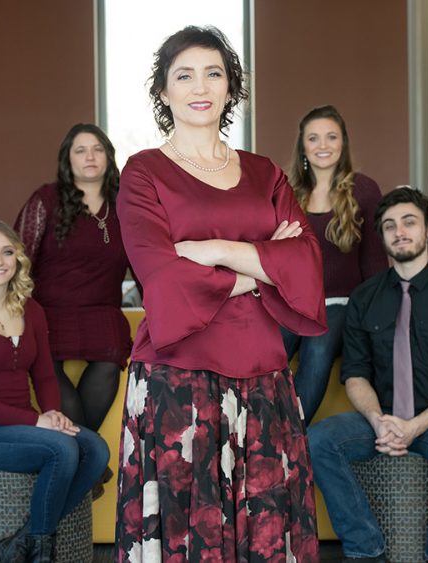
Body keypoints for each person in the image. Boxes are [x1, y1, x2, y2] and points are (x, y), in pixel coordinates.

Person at [114, 26, 328, 562]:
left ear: (232, 87)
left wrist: (209, 248)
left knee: (268, 526)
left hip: (264, 374)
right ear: (164, 92)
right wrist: (261, 263)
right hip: (176, 377)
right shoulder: (143, 172)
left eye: (214, 73)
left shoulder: (265, 172)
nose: (199, 86)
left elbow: (306, 264)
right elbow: (160, 277)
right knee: (189, 533)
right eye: (183, 75)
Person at [307, 187, 428, 563]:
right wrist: (378, 421)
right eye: (389, 225)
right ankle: (364, 545)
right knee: (318, 440)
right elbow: (355, 375)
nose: (399, 231)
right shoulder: (364, 298)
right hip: (383, 418)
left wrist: (417, 425)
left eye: (409, 222)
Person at [0, 221, 109, 562]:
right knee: (63, 450)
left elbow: (46, 376)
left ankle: (23, 542)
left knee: (96, 448)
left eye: (7, 252)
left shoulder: (32, 311)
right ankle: (42, 553)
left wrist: (53, 414)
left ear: (18, 258)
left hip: (24, 426)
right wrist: (37, 421)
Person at [14, 124, 131, 440]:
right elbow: (18, 260)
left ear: (108, 155)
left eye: (97, 149)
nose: (90, 157)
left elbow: (147, 262)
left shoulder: (126, 206)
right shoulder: (46, 199)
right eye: (80, 150)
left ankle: (81, 457)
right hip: (49, 311)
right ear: (68, 159)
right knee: (46, 369)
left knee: (110, 362)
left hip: (102, 311)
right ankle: (89, 460)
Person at [281, 105, 387, 423]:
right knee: (267, 349)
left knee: (318, 343)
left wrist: (376, 323)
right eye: (314, 138)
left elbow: (374, 262)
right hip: (293, 301)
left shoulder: (364, 190)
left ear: (343, 143)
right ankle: (254, 433)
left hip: (340, 303)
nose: (323, 145)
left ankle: (290, 438)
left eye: (331, 137)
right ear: (303, 146)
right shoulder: (285, 192)